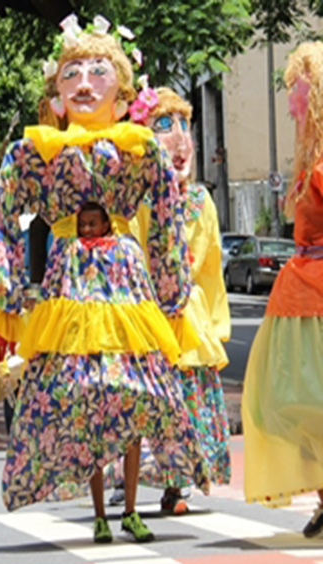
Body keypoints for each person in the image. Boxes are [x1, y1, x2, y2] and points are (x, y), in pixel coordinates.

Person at [0, 17, 208, 544]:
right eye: (72, 74)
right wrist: (9, 288)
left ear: (122, 88)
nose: (84, 83)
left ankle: (130, 505)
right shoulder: (33, 153)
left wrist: (172, 287)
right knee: (81, 400)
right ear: (57, 92)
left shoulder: (139, 149)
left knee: (133, 393)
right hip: (70, 287)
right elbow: (2, 213)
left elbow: (171, 217)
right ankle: (102, 513)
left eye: (97, 71)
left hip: (126, 287)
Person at [128, 87, 233, 514]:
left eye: (183, 127)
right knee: (158, 399)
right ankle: (161, 478)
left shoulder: (200, 200)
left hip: (188, 314)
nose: (179, 140)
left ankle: (183, 479)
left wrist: (213, 324)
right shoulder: (138, 198)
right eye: (164, 126)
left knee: (190, 395)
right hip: (152, 311)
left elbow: (209, 268)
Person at [241, 41, 323, 537]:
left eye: (302, 99)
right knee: (287, 405)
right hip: (298, 301)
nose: (295, 108)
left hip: (313, 301)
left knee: (306, 404)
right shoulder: (309, 166)